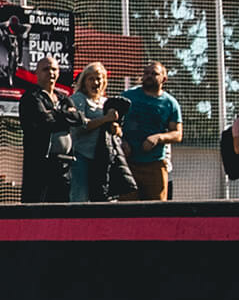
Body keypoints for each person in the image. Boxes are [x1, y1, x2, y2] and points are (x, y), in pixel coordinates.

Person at [17, 54, 80, 203]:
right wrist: (65, 115)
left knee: (60, 208)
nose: (51, 73)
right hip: (40, 164)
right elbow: (45, 121)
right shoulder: (31, 97)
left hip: (64, 164)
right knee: (36, 207)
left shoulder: (64, 98)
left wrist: (56, 114)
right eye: (46, 69)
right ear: (37, 73)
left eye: (54, 69)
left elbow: (78, 119)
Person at [119, 61, 182, 201]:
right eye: (146, 73)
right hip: (128, 163)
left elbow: (177, 134)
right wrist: (121, 141)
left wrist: (158, 138)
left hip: (155, 164)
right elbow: (113, 124)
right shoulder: (127, 97)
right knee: (125, 210)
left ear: (164, 79)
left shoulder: (170, 103)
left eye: (154, 74)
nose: (149, 76)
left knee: (156, 210)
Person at [67, 62, 118, 203]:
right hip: (81, 157)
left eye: (99, 78)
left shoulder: (105, 102)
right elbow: (82, 126)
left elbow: (112, 129)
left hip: (102, 158)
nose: (96, 82)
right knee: (80, 197)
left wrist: (115, 127)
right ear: (84, 81)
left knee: (103, 198)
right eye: (91, 79)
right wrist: (105, 119)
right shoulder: (77, 99)